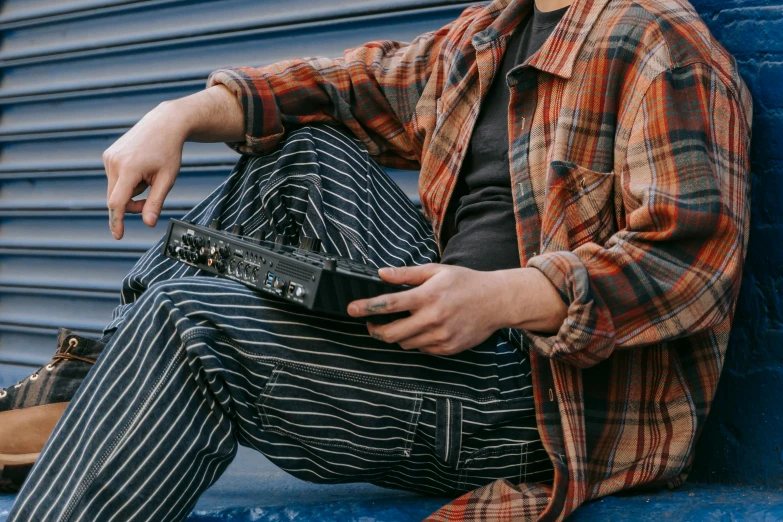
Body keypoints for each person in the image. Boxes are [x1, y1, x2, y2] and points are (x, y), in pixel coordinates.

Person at [1, 0, 752, 517]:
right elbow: (334, 87)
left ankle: (89, 405)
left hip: (542, 407)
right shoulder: (489, 32)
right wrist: (177, 114)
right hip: (443, 338)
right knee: (301, 150)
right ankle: (98, 390)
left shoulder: (661, 49)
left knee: (189, 319)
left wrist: (500, 296)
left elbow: (688, 266)